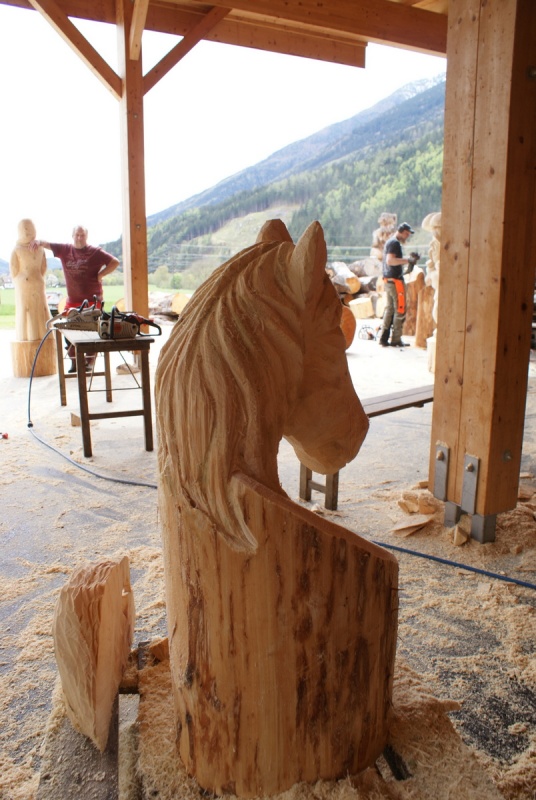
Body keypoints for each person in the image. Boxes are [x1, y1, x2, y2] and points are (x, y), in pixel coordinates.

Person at [30, 225, 120, 371]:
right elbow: (48, 244)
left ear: (86, 236)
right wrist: (38, 242)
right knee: (68, 330)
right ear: (72, 236)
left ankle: (89, 362)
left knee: (91, 330)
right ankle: (75, 361)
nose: (79, 238)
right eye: (77, 235)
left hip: (92, 301)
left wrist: (101, 274)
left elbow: (114, 262)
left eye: (82, 235)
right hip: (72, 301)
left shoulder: (95, 252)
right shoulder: (65, 249)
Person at [378, 221, 419, 348]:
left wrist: (408, 262)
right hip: (395, 282)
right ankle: (396, 339)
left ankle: (383, 338)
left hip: (388, 281)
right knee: (400, 309)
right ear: (401, 232)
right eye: (406, 234)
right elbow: (390, 261)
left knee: (390, 309)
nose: (407, 236)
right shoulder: (394, 243)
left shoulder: (390, 242)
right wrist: (408, 260)